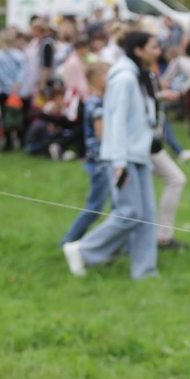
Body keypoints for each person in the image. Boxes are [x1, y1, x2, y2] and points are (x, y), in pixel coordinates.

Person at [61, 31, 160, 281]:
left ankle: (145, 271)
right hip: (122, 156)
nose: (157, 51)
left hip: (138, 154)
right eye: (153, 46)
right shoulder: (124, 78)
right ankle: (82, 250)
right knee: (129, 212)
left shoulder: (138, 75)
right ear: (138, 50)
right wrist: (119, 162)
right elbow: (114, 121)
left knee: (147, 216)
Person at [60, 62, 111, 246]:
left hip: (103, 162)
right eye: (108, 76)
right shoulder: (96, 103)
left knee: (119, 208)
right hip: (100, 163)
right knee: (94, 208)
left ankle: (119, 246)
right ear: (96, 79)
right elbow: (102, 135)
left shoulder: (99, 101)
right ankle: (68, 242)